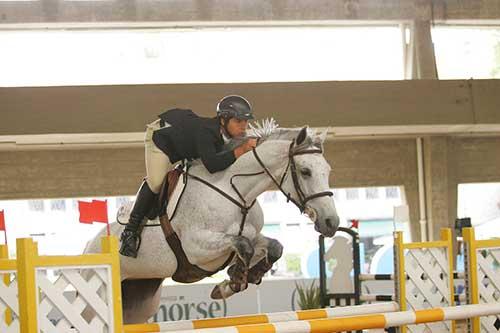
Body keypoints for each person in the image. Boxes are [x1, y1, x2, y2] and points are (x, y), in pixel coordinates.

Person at [119, 95, 258, 258]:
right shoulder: (206, 132)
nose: (243, 126)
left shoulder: (229, 134)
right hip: (162, 137)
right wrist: (240, 150)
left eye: (245, 122)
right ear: (223, 120)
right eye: (238, 121)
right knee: (156, 182)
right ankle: (130, 231)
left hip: (183, 140)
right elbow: (212, 165)